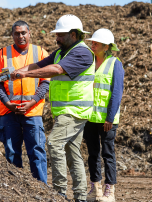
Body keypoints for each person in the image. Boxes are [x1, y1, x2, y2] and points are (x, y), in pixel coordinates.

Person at [11, 14, 95, 202]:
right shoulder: (60, 52)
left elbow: (56, 70)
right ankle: (81, 197)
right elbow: (38, 64)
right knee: (73, 154)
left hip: (74, 111)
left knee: (54, 143)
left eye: (60, 35)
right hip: (66, 111)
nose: (56, 38)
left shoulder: (82, 52)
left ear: (73, 34)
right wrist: (15, 72)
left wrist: (25, 75)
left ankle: (59, 194)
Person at [0, 20, 49, 184]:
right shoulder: (3, 54)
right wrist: (7, 103)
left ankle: (42, 190)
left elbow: (45, 82)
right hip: (9, 112)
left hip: (33, 112)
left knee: (37, 152)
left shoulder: (40, 53)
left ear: (29, 33)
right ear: (12, 35)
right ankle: (15, 192)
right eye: (17, 33)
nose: (20, 36)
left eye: (23, 33)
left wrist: (32, 102)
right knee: (11, 154)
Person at [83, 28, 124, 202]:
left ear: (106, 46)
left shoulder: (115, 63)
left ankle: (110, 192)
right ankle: (95, 189)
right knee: (92, 154)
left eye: (96, 43)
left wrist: (109, 117)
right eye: (92, 42)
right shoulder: (89, 62)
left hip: (107, 120)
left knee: (108, 155)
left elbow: (116, 92)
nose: (92, 45)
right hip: (89, 118)